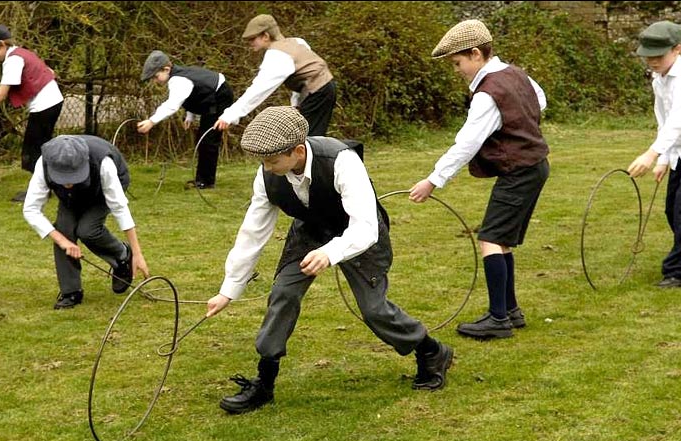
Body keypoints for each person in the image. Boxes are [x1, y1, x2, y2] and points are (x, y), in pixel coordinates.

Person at [206, 106, 454, 414]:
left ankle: (431, 351)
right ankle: (264, 384)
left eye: (272, 161)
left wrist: (330, 253)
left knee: (374, 309)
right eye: (263, 161)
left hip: (357, 231)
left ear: (297, 151)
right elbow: (252, 233)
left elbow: (365, 226)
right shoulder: (267, 176)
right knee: (283, 293)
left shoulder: (341, 161)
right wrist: (229, 289)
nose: (266, 168)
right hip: (310, 231)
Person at [409, 19, 550, 341]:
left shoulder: (488, 94)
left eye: (457, 63)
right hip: (534, 166)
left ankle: (498, 319)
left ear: (476, 53)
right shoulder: (516, 74)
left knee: (489, 238)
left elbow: (467, 144)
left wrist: (433, 180)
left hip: (520, 171)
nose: (456, 70)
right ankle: (510, 310)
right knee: (500, 240)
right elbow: (539, 101)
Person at [23, 135, 150, 309]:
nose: (68, 184)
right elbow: (31, 209)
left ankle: (122, 256)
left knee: (87, 230)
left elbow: (119, 207)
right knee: (63, 230)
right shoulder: (44, 163)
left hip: (102, 190)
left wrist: (137, 253)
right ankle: (71, 291)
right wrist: (63, 241)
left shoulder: (103, 163)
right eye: (63, 178)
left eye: (73, 177)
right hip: (70, 199)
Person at [627, 21, 681, 288]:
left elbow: (679, 119)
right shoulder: (659, 80)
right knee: (672, 209)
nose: (652, 61)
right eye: (648, 56)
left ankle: (680, 270)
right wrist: (665, 159)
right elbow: (663, 120)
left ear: (677, 50)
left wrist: (651, 154)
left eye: (658, 56)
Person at [0, 24, 64, 203]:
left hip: (45, 106)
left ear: (1, 44)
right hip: (53, 102)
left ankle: (44, 191)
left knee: (32, 153)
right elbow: (51, 72)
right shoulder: (22, 52)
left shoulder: (13, 61)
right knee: (41, 149)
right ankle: (53, 187)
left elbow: (1, 93)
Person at [213, 14, 336, 137]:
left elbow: (258, 90)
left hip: (318, 93)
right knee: (307, 139)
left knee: (308, 141)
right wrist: (296, 105)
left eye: (252, 39)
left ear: (265, 36)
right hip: (326, 88)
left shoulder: (277, 56)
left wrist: (229, 116)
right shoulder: (297, 41)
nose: (250, 43)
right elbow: (304, 79)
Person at [137, 50, 234, 189]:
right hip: (212, 97)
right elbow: (194, 94)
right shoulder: (179, 76)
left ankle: (206, 182)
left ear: (166, 69)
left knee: (208, 140)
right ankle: (203, 179)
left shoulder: (178, 80)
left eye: (155, 76)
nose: (155, 81)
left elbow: (172, 105)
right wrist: (190, 115)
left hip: (220, 97)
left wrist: (151, 121)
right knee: (203, 139)